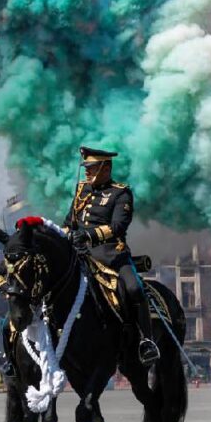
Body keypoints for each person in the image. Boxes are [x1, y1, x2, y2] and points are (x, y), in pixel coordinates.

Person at [64, 146, 159, 366]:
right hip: (81, 255)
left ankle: (147, 341)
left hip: (110, 255)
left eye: (92, 167)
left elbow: (118, 226)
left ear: (105, 168)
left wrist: (88, 236)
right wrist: (65, 235)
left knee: (134, 288)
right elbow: (70, 222)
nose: (87, 172)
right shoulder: (82, 190)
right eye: (86, 168)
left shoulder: (120, 193)